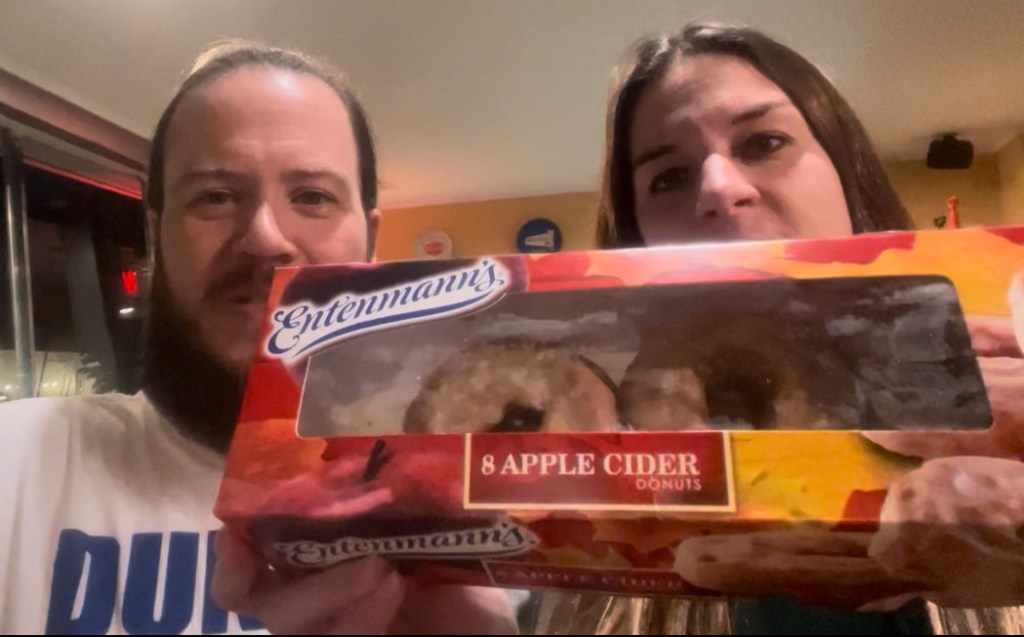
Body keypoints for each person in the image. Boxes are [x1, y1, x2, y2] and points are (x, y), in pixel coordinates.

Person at [524, 22, 1024, 636]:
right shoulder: (582, 562)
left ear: (847, 174)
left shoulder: (989, 438)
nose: (718, 188)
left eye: (762, 142)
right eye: (668, 177)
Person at [0, 41, 516, 635]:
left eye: (313, 197)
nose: (266, 237)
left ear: (368, 242)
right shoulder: (20, 464)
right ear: (154, 233)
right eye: (215, 196)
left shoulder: (482, 536)